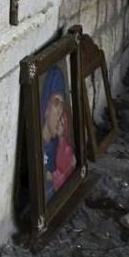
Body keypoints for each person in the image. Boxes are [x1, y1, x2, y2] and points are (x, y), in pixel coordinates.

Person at [40, 65, 77, 200]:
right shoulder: (39, 146)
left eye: (62, 104)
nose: (61, 111)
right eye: (56, 103)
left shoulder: (58, 146)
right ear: (46, 109)